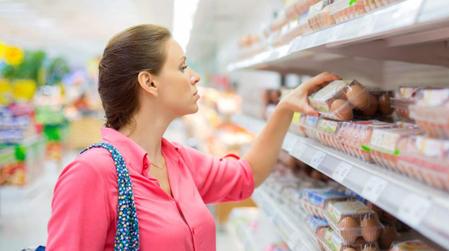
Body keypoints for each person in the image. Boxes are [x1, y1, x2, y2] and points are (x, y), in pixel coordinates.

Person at [46, 24, 339, 251]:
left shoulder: (177, 159)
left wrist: (284, 108)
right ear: (149, 82)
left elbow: (245, 176)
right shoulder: (92, 173)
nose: (195, 76)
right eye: (182, 67)